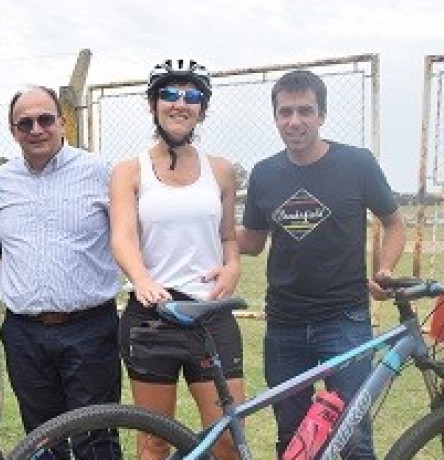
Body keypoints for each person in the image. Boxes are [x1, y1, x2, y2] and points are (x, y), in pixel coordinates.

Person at [238, 69, 407, 459]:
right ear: (276, 117)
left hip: (344, 320)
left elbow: (394, 221)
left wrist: (384, 268)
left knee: (354, 435)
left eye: (304, 111)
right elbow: (251, 241)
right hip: (284, 324)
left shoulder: (357, 163)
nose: (294, 121)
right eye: (285, 112)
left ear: (322, 115)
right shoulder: (265, 172)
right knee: (292, 436)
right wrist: (202, 223)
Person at [110, 59, 244, 460]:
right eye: (169, 94)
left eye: (192, 96)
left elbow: (227, 237)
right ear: (153, 104)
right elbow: (123, 235)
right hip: (153, 316)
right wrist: (141, 277)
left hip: (211, 314)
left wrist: (233, 265)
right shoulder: (129, 170)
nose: (180, 103)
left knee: (227, 439)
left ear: (202, 107)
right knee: (154, 443)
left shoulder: (220, 170)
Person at [0, 85, 122, 457]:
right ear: (13, 131)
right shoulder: (1, 181)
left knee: (96, 437)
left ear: (62, 122)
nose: (36, 129)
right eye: (24, 123)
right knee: (42, 440)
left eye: (45, 119)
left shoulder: (99, 172)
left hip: (90, 329)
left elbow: (127, 236)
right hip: (24, 333)